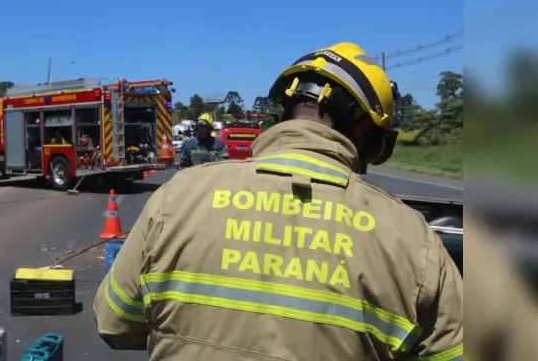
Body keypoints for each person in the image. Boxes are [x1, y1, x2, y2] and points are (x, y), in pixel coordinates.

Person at [93, 43, 463, 360]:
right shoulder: (416, 242)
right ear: (365, 131)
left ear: (284, 112)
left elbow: (113, 321)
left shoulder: (175, 198)